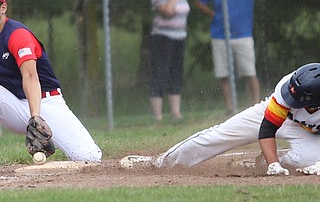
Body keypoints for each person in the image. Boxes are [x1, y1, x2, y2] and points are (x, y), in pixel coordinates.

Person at [121, 63, 320, 176]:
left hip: (307, 132)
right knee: (221, 135)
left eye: (299, 99)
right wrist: (273, 165)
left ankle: (263, 162)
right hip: (279, 117)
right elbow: (267, 128)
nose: (291, 97)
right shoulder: (287, 88)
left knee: (306, 160)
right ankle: (160, 163)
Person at [0, 0, 102, 162]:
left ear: (3, 7)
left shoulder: (17, 35)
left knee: (89, 157)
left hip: (45, 103)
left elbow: (31, 77)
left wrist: (35, 117)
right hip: (12, 105)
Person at [194, 0, 295, 116]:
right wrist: (213, 14)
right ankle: (231, 109)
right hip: (220, 35)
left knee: (249, 72)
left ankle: (256, 107)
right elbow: (198, 0)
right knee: (224, 74)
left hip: (243, 35)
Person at [149, 0, 190, 121]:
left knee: (176, 73)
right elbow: (168, 12)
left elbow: (185, 9)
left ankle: (176, 113)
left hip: (179, 37)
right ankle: (158, 116)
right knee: (161, 72)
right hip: (162, 38)